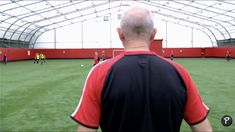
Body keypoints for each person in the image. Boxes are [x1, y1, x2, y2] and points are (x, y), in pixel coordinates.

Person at [71, 6, 212, 132]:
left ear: (120, 33)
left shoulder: (99, 73)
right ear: (153, 34)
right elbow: (203, 128)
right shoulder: (179, 72)